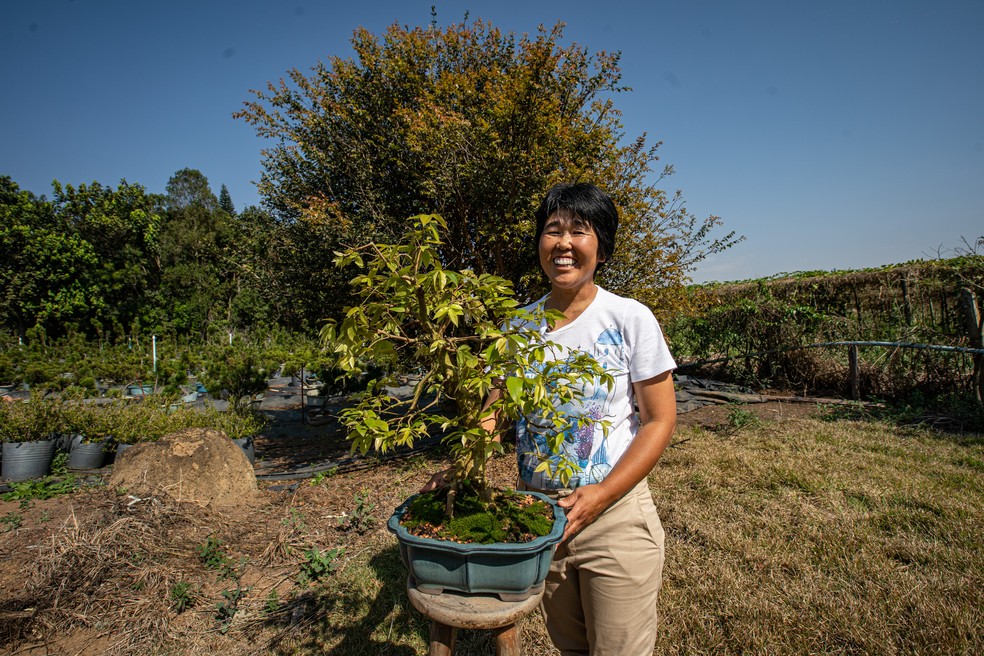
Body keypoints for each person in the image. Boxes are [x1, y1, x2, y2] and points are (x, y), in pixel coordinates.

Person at [424, 182, 677, 655]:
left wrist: (603, 494)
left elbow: (659, 420)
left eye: (579, 231)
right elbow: (497, 410)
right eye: (553, 229)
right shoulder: (518, 326)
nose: (563, 242)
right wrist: (463, 466)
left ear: (602, 248)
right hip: (541, 517)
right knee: (570, 646)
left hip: (616, 515)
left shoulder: (629, 318)